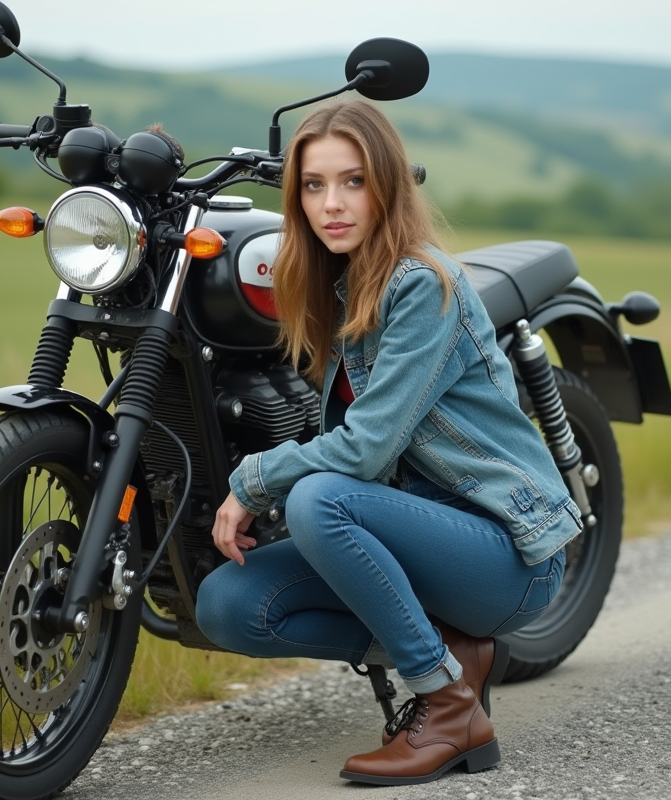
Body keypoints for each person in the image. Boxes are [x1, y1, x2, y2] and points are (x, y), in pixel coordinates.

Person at [195, 99, 582, 786]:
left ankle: (446, 700)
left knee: (318, 498)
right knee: (228, 605)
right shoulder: (334, 285)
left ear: (388, 186)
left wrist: (253, 480)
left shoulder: (421, 284)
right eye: (314, 185)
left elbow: (364, 451)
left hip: (505, 556)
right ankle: (451, 654)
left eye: (353, 182)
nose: (331, 204)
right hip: (418, 544)